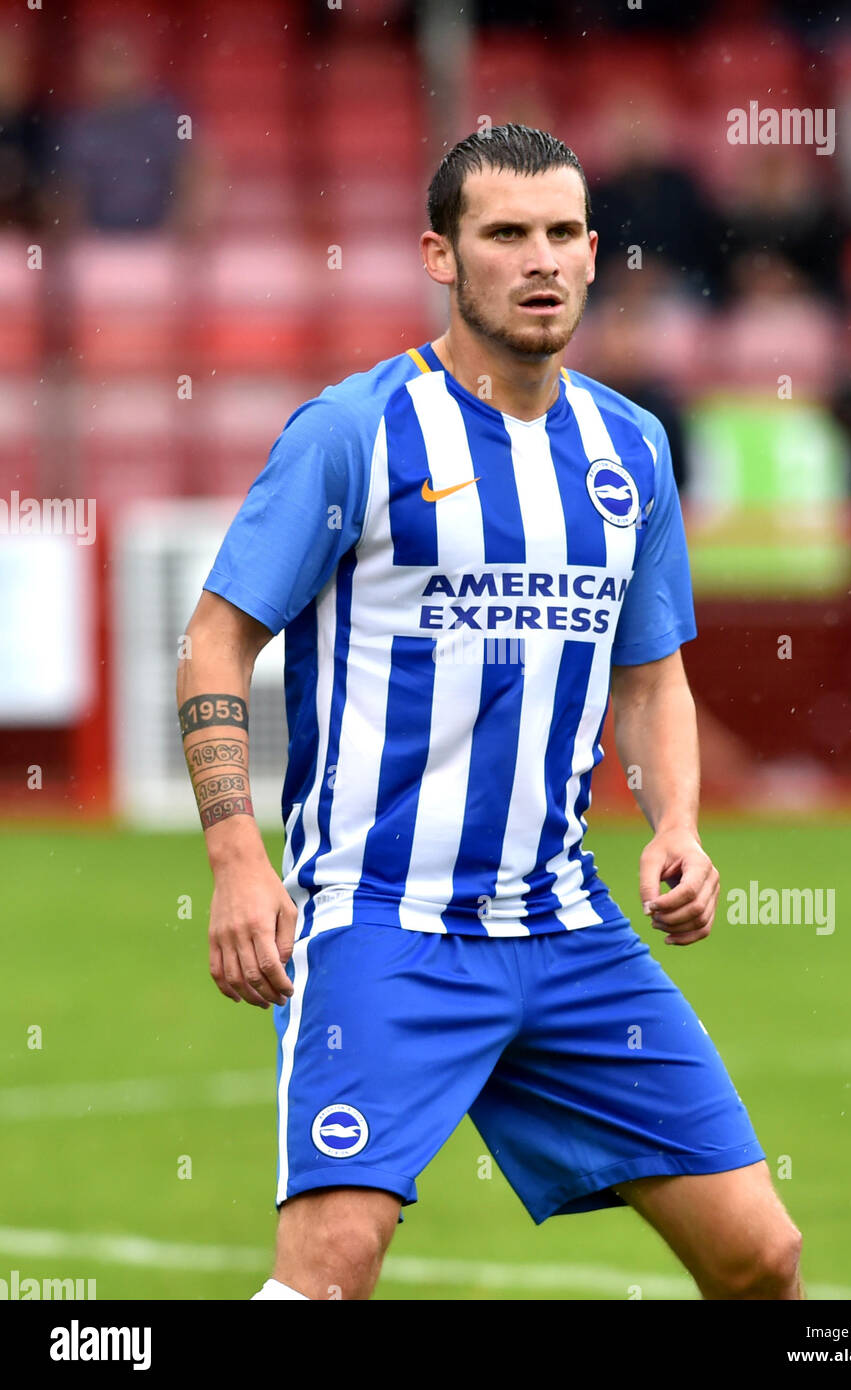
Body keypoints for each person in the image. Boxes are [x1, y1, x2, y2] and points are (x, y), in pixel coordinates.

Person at [176, 124, 803, 1302]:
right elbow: (217, 638)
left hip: (567, 928)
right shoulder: (354, 433)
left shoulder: (632, 448)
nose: (541, 260)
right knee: (332, 1269)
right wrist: (234, 857)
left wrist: (677, 824)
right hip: (380, 922)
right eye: (506, 234)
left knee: (762, 1256)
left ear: (594, 249)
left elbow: (652, 673)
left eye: (562, 233)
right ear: (440, 255)